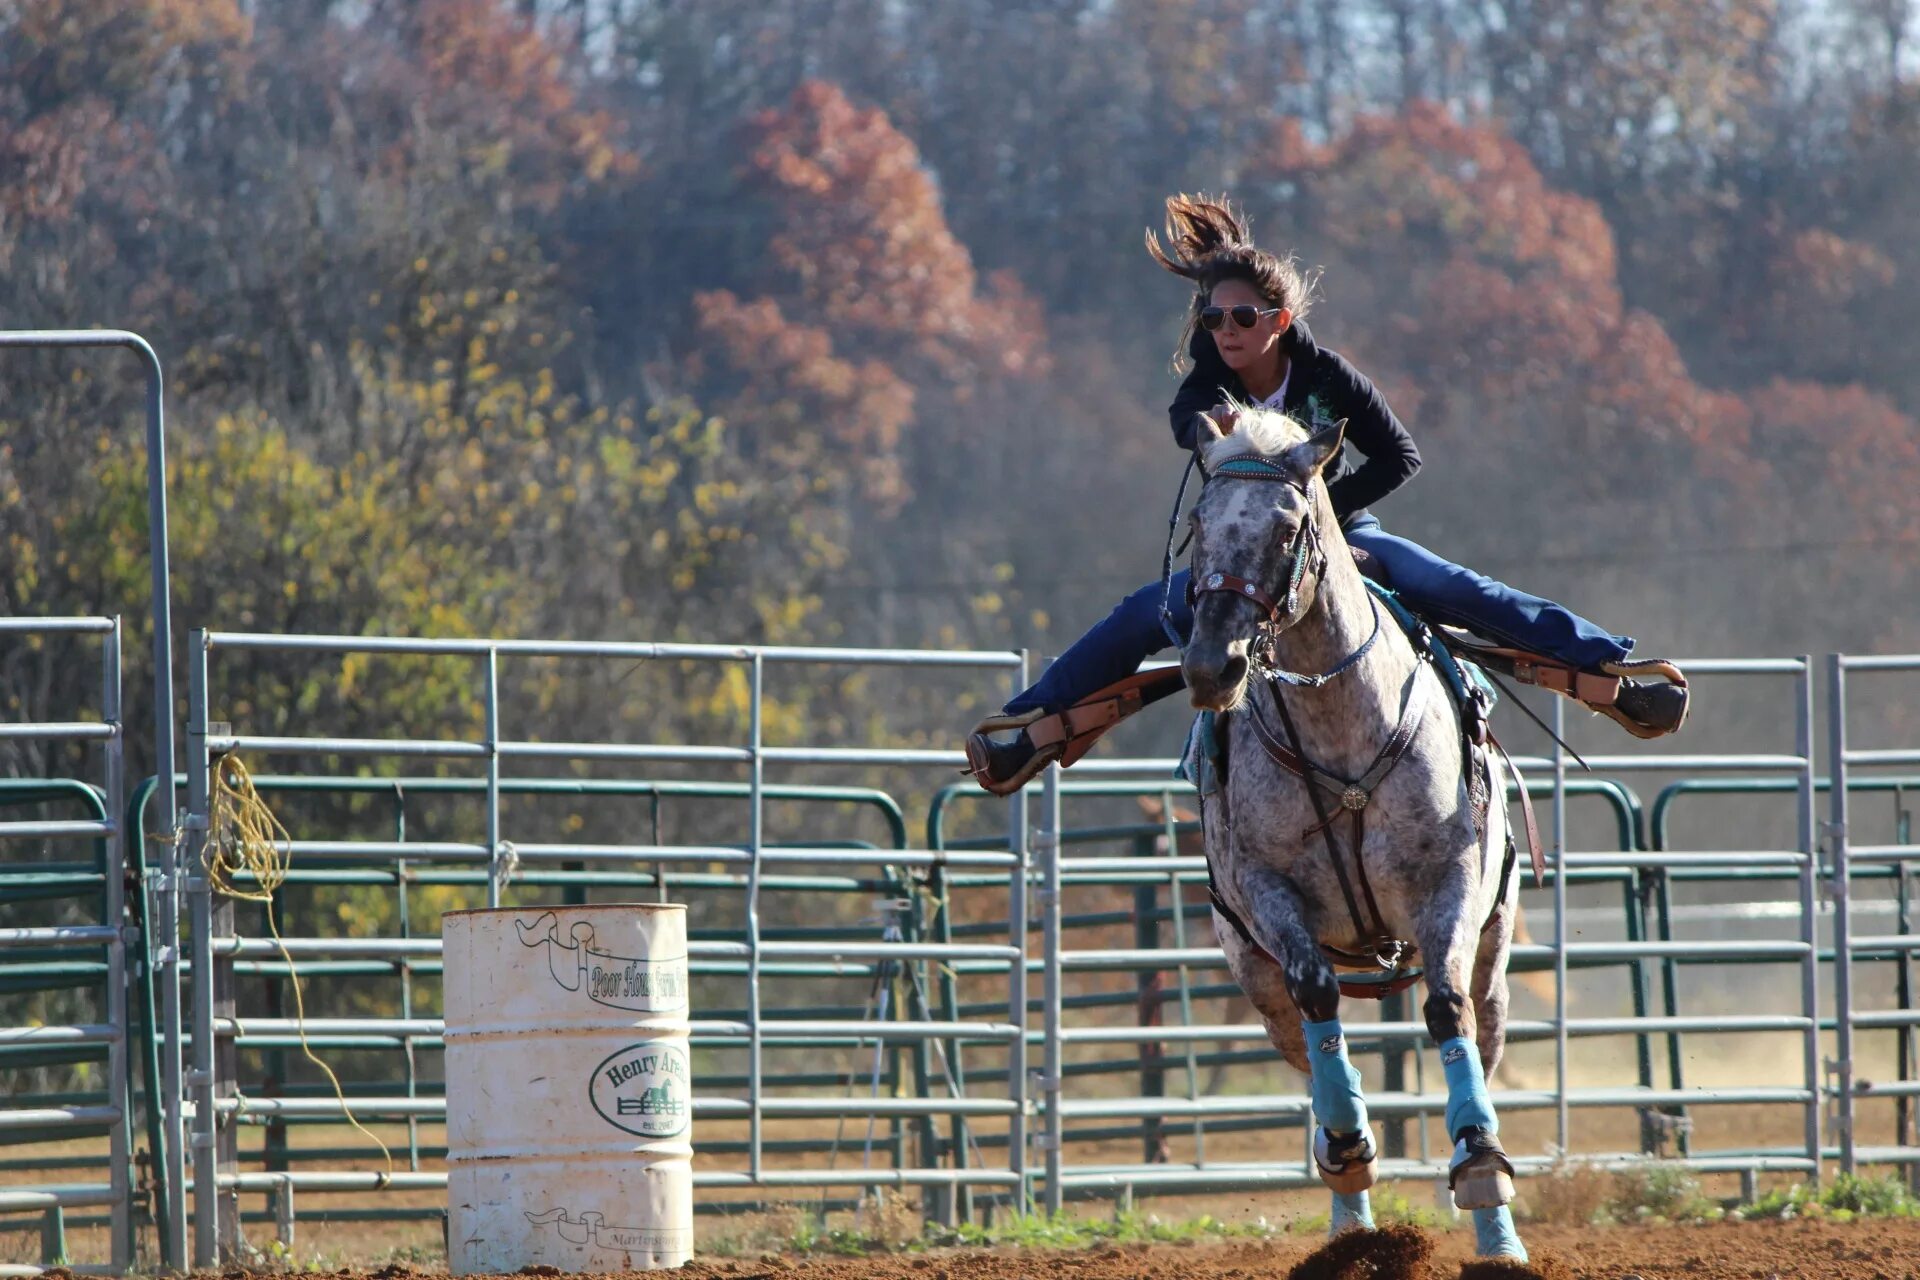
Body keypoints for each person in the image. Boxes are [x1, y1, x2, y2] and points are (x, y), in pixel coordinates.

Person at [965, 194, 1688, 796]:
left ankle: (1611, 675)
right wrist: (1210, 434)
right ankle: (1028, 732)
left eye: (1241, 319)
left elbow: (1400, 455)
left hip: (1344, 537)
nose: (1225, 333)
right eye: (1213, 321)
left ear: (1279, 321)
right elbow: (1188, 422)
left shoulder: (1329, 375)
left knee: (1451, 585)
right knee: (1138, 616)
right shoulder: (1207, 388)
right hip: (1246, 558)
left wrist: (1323, 521)